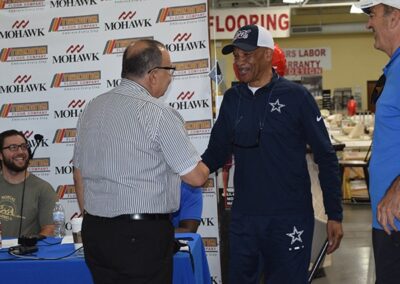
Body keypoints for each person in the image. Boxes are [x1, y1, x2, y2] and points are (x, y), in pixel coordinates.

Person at [201, 24, 343, 284]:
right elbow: (214, 154)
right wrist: (187, 173)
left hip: (290, 219)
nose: (240, 62)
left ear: (268, 54)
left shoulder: (296, 97)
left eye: (247, 54)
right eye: (236, 56)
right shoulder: (233, 99)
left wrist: (334, 213)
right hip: (245, 220)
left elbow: (326, 155)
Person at [73, 39, 209, 284]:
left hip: (95, 231)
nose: (170, 77)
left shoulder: (91, 108)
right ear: (154, 74)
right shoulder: (157, 112)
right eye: (170, 70)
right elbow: (196, 177)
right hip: (140, 236)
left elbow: (78, 171)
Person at [355, 1, 400, 283]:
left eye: (372, 16)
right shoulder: (394, 69)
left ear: (394, 19)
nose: (368, 24)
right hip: (389, 221)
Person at [0, 129, 56, 238]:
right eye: (13, 147)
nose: (20, 151)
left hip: (27, 253)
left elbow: (50, 229)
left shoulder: (43, 189)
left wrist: (28, 245)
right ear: (1, 155)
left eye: (24, 146)